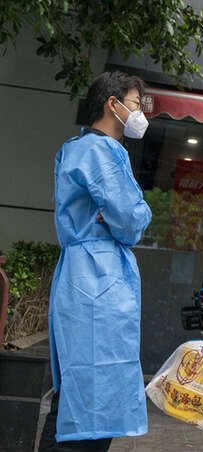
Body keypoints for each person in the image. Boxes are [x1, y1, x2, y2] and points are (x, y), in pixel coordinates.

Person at [41, 71, 152, 451]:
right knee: (93, 395)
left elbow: (119, 215)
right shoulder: (101, 151)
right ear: (112, 104)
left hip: (80, 273)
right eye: (136, 104)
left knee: (76, 389)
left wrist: (122, 215)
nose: (139, 113)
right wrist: (137, 212)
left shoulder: (76, 147)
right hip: (98, 276)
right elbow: (130, 219)